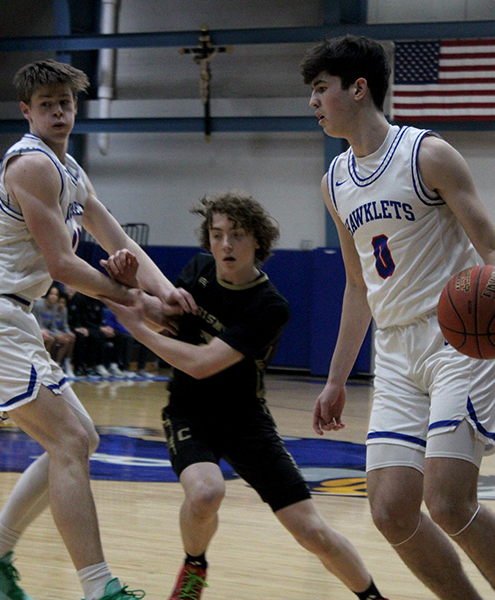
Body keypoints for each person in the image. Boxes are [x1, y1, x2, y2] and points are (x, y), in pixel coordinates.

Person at [299, 35, 495, 600]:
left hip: (460, 339)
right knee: (389, 511)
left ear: (358, 89)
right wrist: (337, 379)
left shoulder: (426, 155)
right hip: (395, 349)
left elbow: (491, 243)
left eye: (320, 89)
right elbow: (358, 285)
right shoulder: (334, 181)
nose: (312, 102)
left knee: (449, 500)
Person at [0, 58, 195, 600]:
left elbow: (115, 239)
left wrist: (163, 290)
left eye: (65, 103)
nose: (58, 112)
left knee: (79, 441)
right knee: (72, 439)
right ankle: (98, 588)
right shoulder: (31, 164)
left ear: (75, 106)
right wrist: (135, 301)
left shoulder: (73, 171)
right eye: (46, 105)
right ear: (26, 111)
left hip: (10, 316)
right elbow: (62, 265)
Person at [103, 191, 389, 600]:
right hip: (189, 412)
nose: (225, 245)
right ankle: (194, 566)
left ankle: (373, 596)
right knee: (206, 492)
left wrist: (138, 329)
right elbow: (167, 321)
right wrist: (128, 283)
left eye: (236, 235)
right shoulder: (198, 271)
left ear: (257, 241)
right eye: (217, 235)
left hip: (246, 422)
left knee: (312, 531)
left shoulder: (270, 306)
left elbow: (201, 362)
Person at [33, 284, 76, 378]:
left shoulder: (54, 307)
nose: (54, 296)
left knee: (67, 340)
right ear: (47, 294)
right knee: (51, 340)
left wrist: (61, 334)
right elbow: (38, 325)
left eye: (56, 295)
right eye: (52, 294)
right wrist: (56, 335)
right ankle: (45, 366)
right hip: (35, 330)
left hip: (47, 332)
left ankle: (58, 365)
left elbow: (53, 327)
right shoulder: (39, 305)